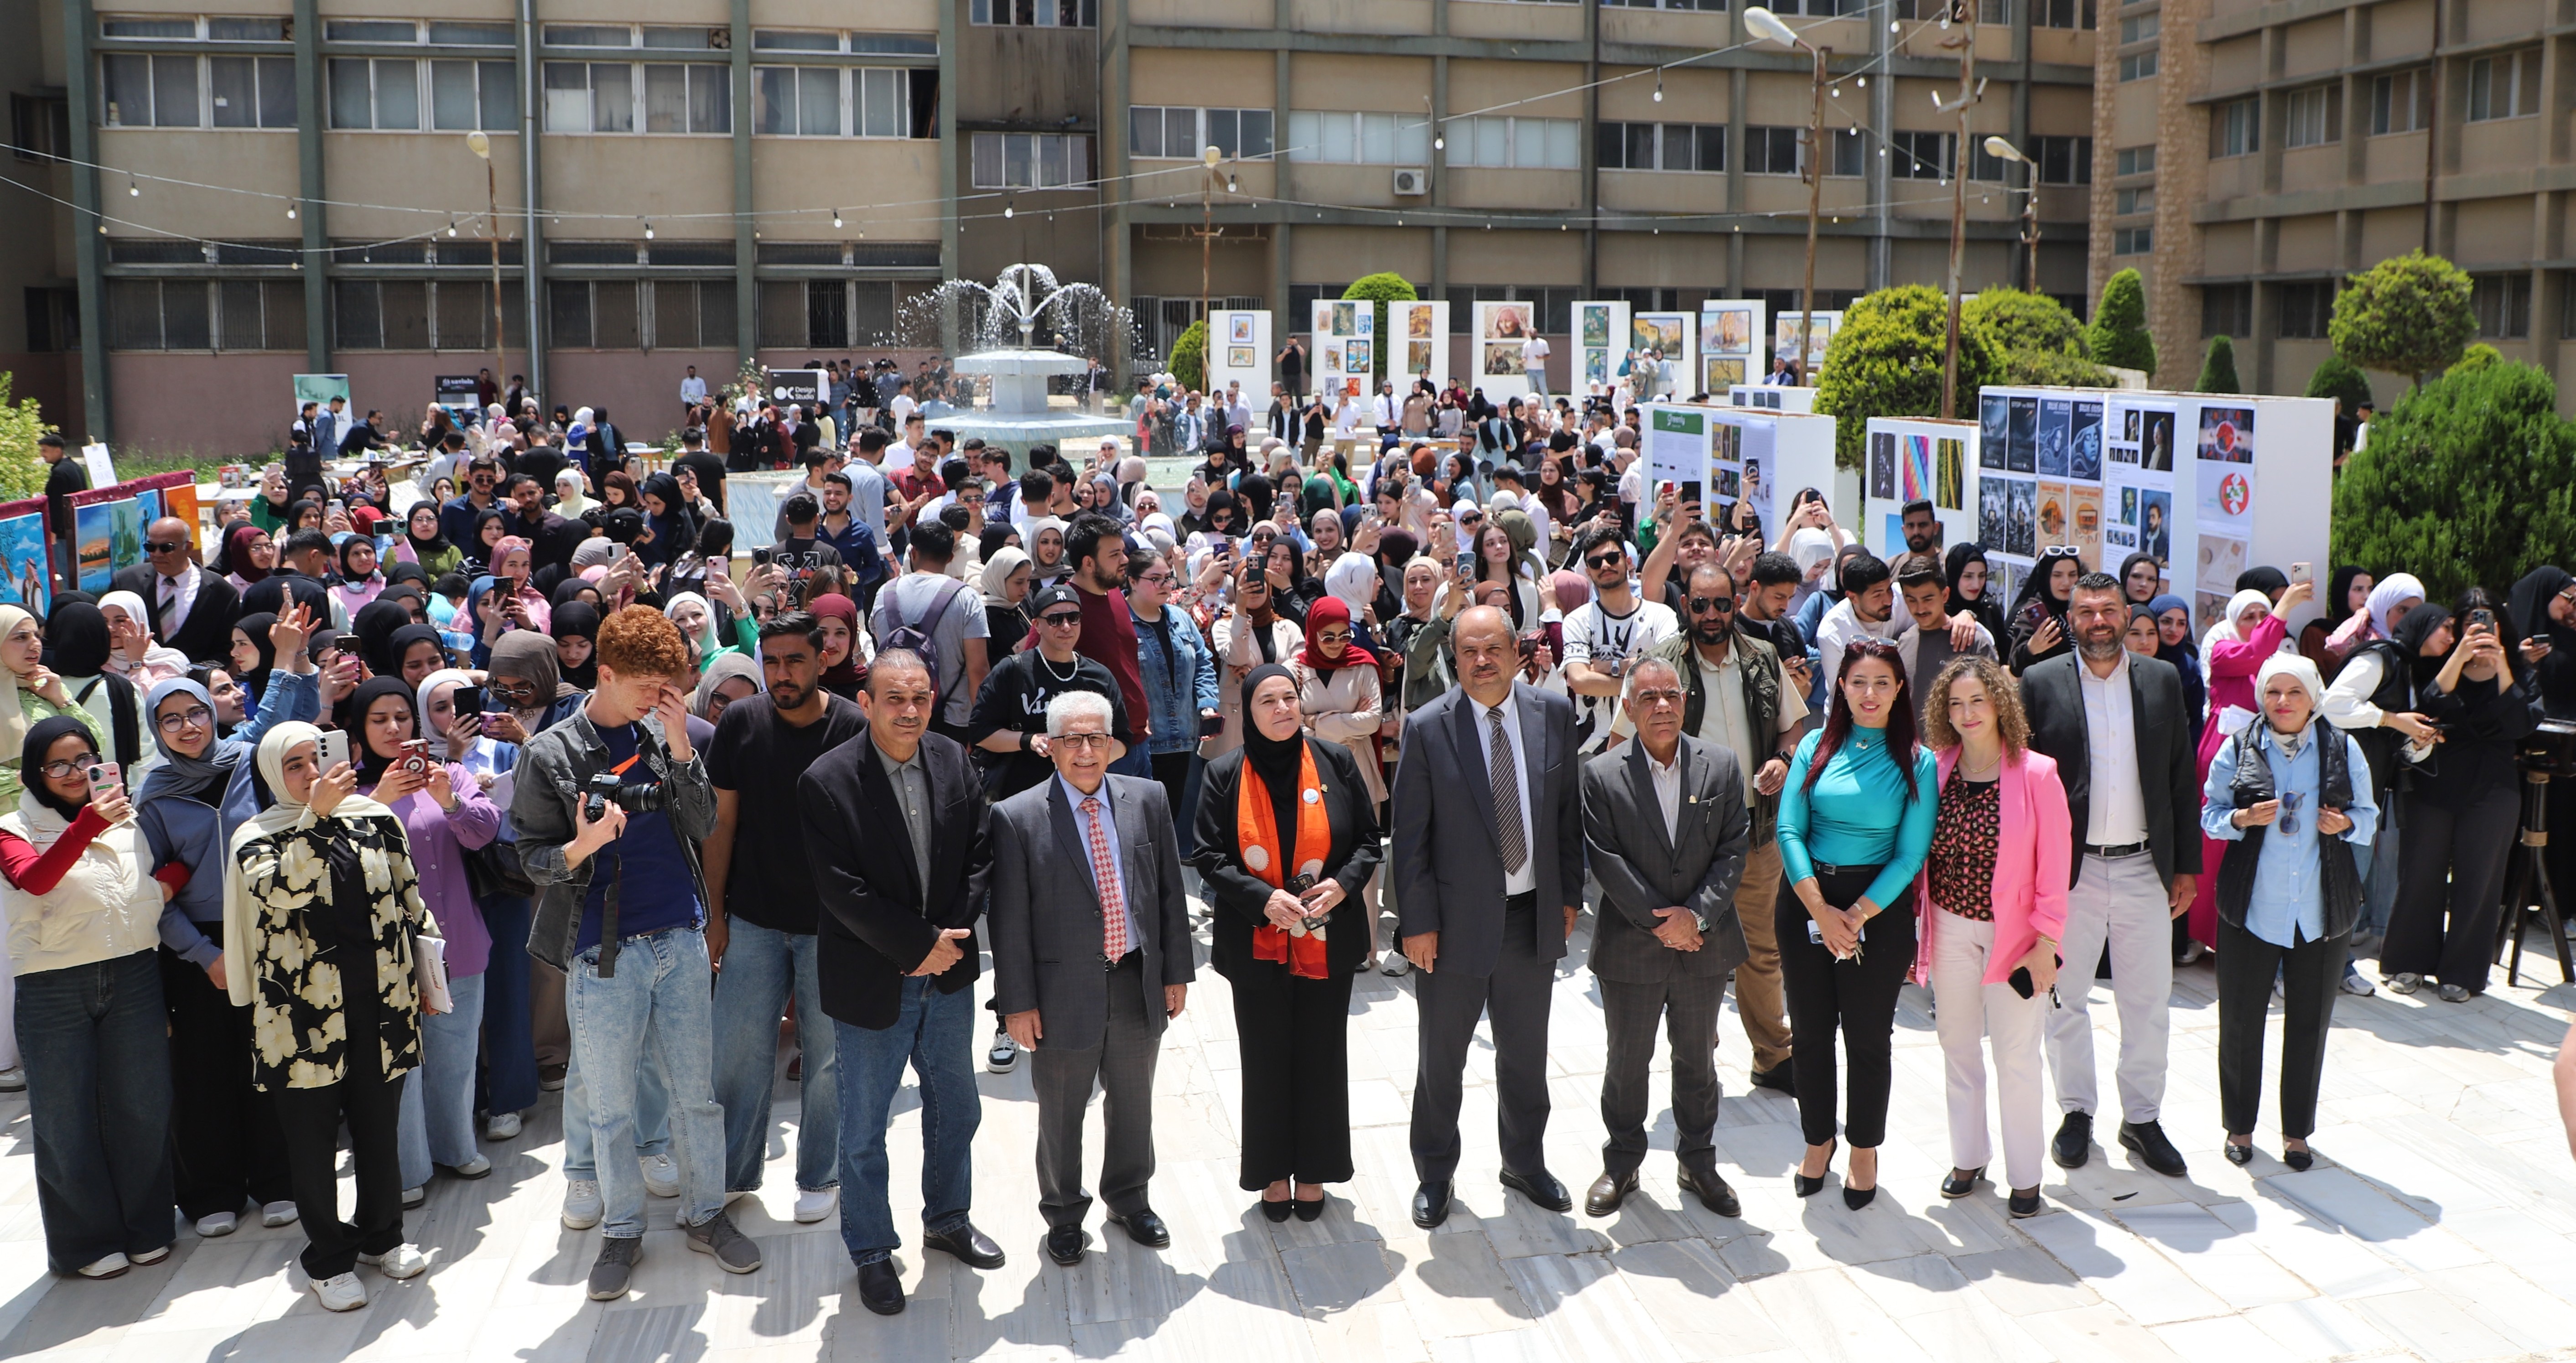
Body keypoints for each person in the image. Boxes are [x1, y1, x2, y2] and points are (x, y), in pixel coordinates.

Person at [511, 607, 762, 1301]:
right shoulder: (550, 753)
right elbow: (528, 857)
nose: (657, 699)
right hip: (603, 952)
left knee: (696, 1097)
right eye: (646, 687)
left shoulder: (661, 733)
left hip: (679, 936)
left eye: (668, 687)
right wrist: (584, 845)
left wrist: (681, 747)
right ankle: (621, 1229)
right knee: (611, 1106)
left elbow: (704, 823)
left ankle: (705, 1214)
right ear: (606, 673)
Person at [793, 648, 1004, 1314]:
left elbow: (979, 854)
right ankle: (871, 1250)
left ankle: (947, 1219)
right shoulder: (827, 781)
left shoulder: (952, 759)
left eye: (920, 698)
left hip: (948, 973)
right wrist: (917, 946)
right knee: (864, 1127)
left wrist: (948, 941)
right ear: (868, 702)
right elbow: (841, 891)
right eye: (895, 698)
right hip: (873, 979)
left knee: (957, 1108)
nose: (909, 711)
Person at [222, 722, 432, 1309]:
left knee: (379, 1129)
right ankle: (329, 1258)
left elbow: (409, 898)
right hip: (299, 1018)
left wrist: (428, 970)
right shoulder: (257, 837)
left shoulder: (374, 818)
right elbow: (283, 892)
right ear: (272, 774)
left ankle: (383, 1235)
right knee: (312, 1144)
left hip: (381, 1001)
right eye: (294, 765)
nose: (311, 773)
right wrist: (314, 816)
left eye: (316, 758)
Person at [1391, 605, 1584, 1228]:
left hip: (1531, 919)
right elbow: (1410, 838)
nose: (1481, 661)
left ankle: (1524, 1162)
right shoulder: (1428, 726)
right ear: (1454, 657)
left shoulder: (1552, 712)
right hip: (1452, 928)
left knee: (1525, 1056)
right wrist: (1416, 923)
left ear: (1516, 651)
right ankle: (1435, 1173)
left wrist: (1568, 897)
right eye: (1468, 651)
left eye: (1493, 648)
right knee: (1441, 1060)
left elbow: (1567, 816)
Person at [986, 690, 1193, 1267]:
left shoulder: (1147, 799)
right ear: (1050, 747)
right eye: (1072, 739)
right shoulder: (1017, 816)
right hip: (1059, 995)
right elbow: (1009, 922)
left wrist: (1175, 972)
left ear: (1111, 744)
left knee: (1133, 1103)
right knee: (1061, 1110)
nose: (1085, 751)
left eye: (1096, 738)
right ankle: (1063, 1213)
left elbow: (1169, 893)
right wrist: (1016, 1004)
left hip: (1134, 982)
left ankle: (1129, 1199)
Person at [2020, 572, 2202, 1178]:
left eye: (2108, 610)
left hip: (2143, 867)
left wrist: (2186, 865)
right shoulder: (2040, 681)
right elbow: (2023, 784)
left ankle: (2142, 1118)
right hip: (2066, 874)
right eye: (2085, 611)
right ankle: (2076, 1112)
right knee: (2064, 997)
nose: (2097, 621)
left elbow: (2180, 776)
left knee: (2147, 1000)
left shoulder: (2161, 679)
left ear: (2127, 615)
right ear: (2070, 619)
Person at [138, 640, 317, 1239]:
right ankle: (212, 1190)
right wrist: (204, 955)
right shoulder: (155, 794)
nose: (188, 726)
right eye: (171, 719)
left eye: (195, 712)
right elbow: (153, 896)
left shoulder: (247, 763)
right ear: (157, 729)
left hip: (265, 926)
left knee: (271, 1056)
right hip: (195, 945)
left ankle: (278, 1179)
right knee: (203, 1068)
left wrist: (290, 659)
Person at [1190, 665, 1383, 1221]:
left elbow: (1368, 841)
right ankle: (1272, 1173)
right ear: (1248, 712)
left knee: (1321, 1055)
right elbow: (1208, 854)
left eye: (1289, 698)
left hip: (1327, 936)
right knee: (1266, 1058)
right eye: (1267, 701)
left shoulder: (1335, 761)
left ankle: (1315, 1169)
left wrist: (1341, 885)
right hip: (1256, 942)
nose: (1281, 709)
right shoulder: (1224, 773)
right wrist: (1261, 898)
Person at [705, 612, 867, 1227]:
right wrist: (715, 913)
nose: (781, 674)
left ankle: (820, 1173)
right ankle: (731, 1173)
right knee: (737, 1052)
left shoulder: (853, 726)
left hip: (833, 925)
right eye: (770, 662)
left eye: (794, 660)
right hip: (753, 918)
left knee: (826, 1056)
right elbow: (720, 824)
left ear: (823, 659)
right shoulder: (741, 723)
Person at [1, 715, 174, 1280]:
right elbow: (35, 879)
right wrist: (88, 825)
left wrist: (170, 881)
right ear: (35, 772)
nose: (74, 773)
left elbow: (152, 875)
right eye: (58, 764)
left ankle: (148, 1227)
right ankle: (85, 1244)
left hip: (133, 971)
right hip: (52, 984)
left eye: (84, 760)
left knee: (143, 1106)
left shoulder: (130, 817)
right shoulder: (11, 827)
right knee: (63, 1118)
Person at [1578, 658, 1750, 1218]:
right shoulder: (1601, 775)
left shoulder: (1721, 766)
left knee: (1698, 1062)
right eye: (1648, 698)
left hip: (1704, 944)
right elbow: (1605, 859)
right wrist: (1663, 924)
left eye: (1671, 695)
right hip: (1631, 947)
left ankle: (1697, 1161)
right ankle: (1622, 1162)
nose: (1661, 706)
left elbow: (1733, 849)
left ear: (1684, 702)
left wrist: (1694, 917)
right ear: (1627, 708)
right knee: (1626, 1062)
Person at [1773, 638, 1937, 1208]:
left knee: (1867, 1038)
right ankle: (1817, 1139)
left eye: (1882, 683)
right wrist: (1821, 911)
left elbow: (1910, 855)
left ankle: (1863, 1149)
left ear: (1898, 690)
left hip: (1878, 907)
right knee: (1809, 1032)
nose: (1869, 694)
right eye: (1859, 682)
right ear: (1840, 686)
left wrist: (1856, 914)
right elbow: (1788, 829)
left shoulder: (1916, 760)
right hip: (1806, 898)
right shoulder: (1813, 745)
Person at [2204, 654, 2377, 1170]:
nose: (2283, 702)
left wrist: (2344, 824)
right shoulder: (2239, 746)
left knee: (2309, 1024)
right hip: (2252, 908)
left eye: (2294, 691)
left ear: (2314, 696)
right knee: (2240, 1022)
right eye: (2273, 692)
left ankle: (2296, 1133)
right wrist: (2241, 818)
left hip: (2319, 911)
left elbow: (2369, 818)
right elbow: (2209, 815)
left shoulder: (2342, 747)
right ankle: (2239, 1127)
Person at [1914, 657, 2068, 1218]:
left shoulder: (2036, 773)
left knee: (2016, 1055)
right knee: (1956, 1045)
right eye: (1954, 703)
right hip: (1948, 925)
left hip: (2017, 937)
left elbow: (2055, 866)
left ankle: (2025, 1176)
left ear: (1999, 702)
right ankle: (1968, 1157)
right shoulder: (1933, 768)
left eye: (1976, 700)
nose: (1966, 713)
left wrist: (2047, 944)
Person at [2379, 603, 2537, 999]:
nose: (2477, 632)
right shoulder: (2437, 664)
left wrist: (2501, 664)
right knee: (2420, 872)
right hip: (2435, 782)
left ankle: (2464, 973)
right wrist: (2459, 658)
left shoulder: (2519, 668)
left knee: (2480, 880)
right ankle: (2408, 961)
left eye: (2486, 625)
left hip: (2494, 787)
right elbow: (2428, 706)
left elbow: (2521, 723)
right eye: (2468, 625)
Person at [2186, 579, 2311, 949]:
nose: (2258, 623)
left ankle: (2240, 935)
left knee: (2254, 843)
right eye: (2249, 617)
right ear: (2232, 621)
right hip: (2223, 754)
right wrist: (2284, 608)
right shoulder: (2224, 650)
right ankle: (2200, 932)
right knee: (2214, 841)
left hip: (2263, 755)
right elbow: (2255, 652)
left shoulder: (2277, 665)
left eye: (2263, 615)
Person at [1557, 529, 1681, 757]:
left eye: (1612, 558)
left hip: (1655, 744)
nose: (1605, 566)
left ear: (1628, 561)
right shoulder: (1577, 620)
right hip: (1590, 748)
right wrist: (1643, 684)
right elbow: (1580, 681)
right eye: (1596, 563)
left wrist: (1610, 667)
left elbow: (1666, 672)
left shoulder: (1661, 615)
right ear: (1588, 571)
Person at [1127, 548, 1217, 850]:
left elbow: (1203, 663)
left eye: (1168, 578)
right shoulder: (1120, 623)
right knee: (1142, 829)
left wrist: (1207, 704)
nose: (1166, 585)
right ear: (1132, 581)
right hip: (1142, 743)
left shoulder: (1180, 618)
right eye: (1156, 579)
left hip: (1184, 739)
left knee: (1170, 821)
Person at [112, 518, 239, 666]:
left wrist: (195, 675)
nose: (157, 554)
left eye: (166, 548)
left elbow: (224, 649)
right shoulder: (126, 582)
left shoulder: (221, 592)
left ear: (188, 547)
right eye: (150, 547)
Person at [2006, 545, 2084, 674]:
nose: (2066, 582)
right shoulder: (2032, 613)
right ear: (2045, 577)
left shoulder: (2081, 609)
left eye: (2072, 575)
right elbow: (2015, 666)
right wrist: (2032, 649)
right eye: (2057, 575)